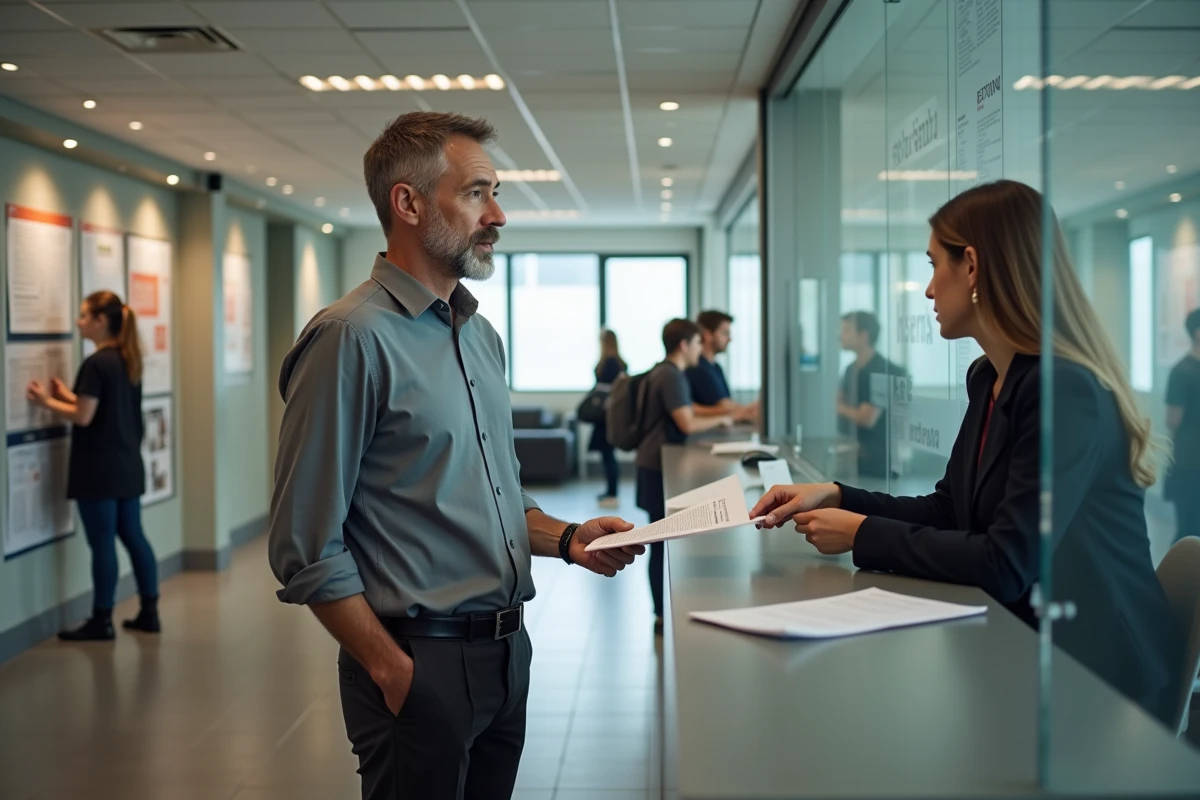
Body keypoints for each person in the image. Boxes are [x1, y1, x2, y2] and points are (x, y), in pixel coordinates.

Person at [268, 112, 645, 800]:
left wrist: (567, 538)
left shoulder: (480, 336)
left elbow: (495, 498)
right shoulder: (349, 339)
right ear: (408, 204)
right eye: (476, 193)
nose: (497, 214)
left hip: (507, 655)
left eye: (494, 192)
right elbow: (303, 547)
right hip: (418, 659)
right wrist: (391, 670)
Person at [752, 180, 1183, 726]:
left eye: (935, 265)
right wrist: (838, 495)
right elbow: (950, 510)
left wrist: (861, 532)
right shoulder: (990, 377)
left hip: (1098, 682)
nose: (929, 290)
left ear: (973, 266)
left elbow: (1005, 564)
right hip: (1025, 644)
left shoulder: (1063, 391)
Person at [27, 291, 159, 641]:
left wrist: (45, 402)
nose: (78, 322)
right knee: (133, 537)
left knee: (102, 543)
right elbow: (102, 408)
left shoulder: (97, 363)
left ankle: (101, 620)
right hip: (128, 465)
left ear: (101, 321)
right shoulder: (127, 359)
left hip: (99, 470)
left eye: (84, 316)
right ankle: (150, 610)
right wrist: (65, 397)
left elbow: (84, 417)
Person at [637, 318, 734, 634]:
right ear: (684, 345)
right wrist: (724, 419)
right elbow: (687, 423)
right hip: (657, 467)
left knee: (661, 542)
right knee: (660, 542)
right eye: (696, 343)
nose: (699, 350)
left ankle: (663, 611)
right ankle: (662, 613)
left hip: (652, 464)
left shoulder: (662, 371)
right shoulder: (671, 376)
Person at [836, 311, 905, 478]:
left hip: (879, 468)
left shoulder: (885, 370)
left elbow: (867, 418)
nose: (840, 336)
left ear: (863, 336)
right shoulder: (850, 369)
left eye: (846, 330)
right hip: (855, 462)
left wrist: (839, 407)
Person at [1165, 308, 1200, 542]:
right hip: (1190, 466)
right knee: (1189, 533)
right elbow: (1172, 420)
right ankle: (1180, 579)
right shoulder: (1182, 372)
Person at [686, 310, 757, 422]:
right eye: (725, 333)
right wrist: (746, 410)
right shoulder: (696, 367)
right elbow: (723, 407)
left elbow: (725, 404)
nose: (730, 339)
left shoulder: (716, 367)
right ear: (707, 334)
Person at [590, 329, 626, 509]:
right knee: (607, 454)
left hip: (606, 418)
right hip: (609, 417)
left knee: (608, 455)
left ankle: (612, 492)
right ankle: (611, 491)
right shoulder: (619, 363)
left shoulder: (609, 364)